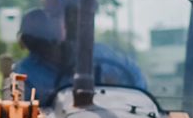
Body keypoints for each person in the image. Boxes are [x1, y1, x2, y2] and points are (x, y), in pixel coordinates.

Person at [13, 8, 147, 102]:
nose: (50, 47)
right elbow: (24, 115)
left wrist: (133, 100)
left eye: (50, 38)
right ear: (27, 43)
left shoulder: (99, 53)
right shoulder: (25, 72)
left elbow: (135, 74)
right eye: (36, 39)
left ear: (60, 34)